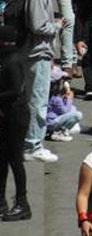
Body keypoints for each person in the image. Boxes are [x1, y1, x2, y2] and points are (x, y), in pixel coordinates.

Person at [23, 0, 60, 163]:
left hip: (41, 53)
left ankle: (34, 142)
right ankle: (32, 145)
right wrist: (56, 26)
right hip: (37, 53)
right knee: (37, 101)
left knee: (38, 100)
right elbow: (38, 26)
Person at [0, 25, 30, 221]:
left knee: (15, 159)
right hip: (6, 115)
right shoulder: (7, 59)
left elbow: (15, 89)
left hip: (16, 116)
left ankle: (22, 203)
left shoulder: (12, 61)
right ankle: (1, 200)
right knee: (2, 158)